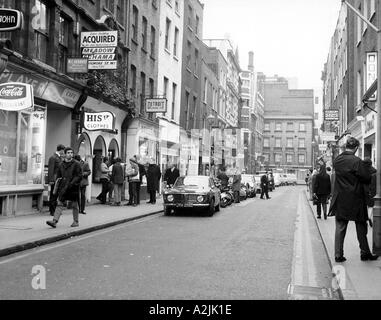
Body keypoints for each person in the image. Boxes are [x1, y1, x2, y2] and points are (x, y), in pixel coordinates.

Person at [328, 136, 378, 262]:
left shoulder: (337, 160)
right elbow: (366, 178)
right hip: (356, 198)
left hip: (341, 198)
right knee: (361, 227)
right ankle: (365, 253)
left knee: (340, 227)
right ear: (356, 148)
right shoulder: (357, 161)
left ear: (346, 147)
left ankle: (338, 255)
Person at [46, 147, 82, 228]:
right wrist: (57, 187)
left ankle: (76, 221)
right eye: (68, 153)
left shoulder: (76, 164)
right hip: (63, 187)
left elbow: (79, 176)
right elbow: (59, 177)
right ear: (65, 154)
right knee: (59, 203)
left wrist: (72, 183)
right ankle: (54, 221)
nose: (70, 154)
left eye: (71, 153)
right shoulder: (61, 164)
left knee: (74, 205)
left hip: (73, 187)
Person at [47, 144, 65, 216]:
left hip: (58, 179)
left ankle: (55, 210)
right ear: (60, 150)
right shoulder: (53, 157)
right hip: (54, 180)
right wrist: (51, 180)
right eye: (63, 150)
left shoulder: (59, 158)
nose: (63, 152)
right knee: (53, 195)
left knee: (56, 195)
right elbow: (50, 170)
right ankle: (52, 210)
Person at [363, 158, 377, 228]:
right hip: (371, 191)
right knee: (370, 205)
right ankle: (369, 216)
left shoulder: (362, 171)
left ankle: (364, 218)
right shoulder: (374, 170)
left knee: (364, 205)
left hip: (363, 190)